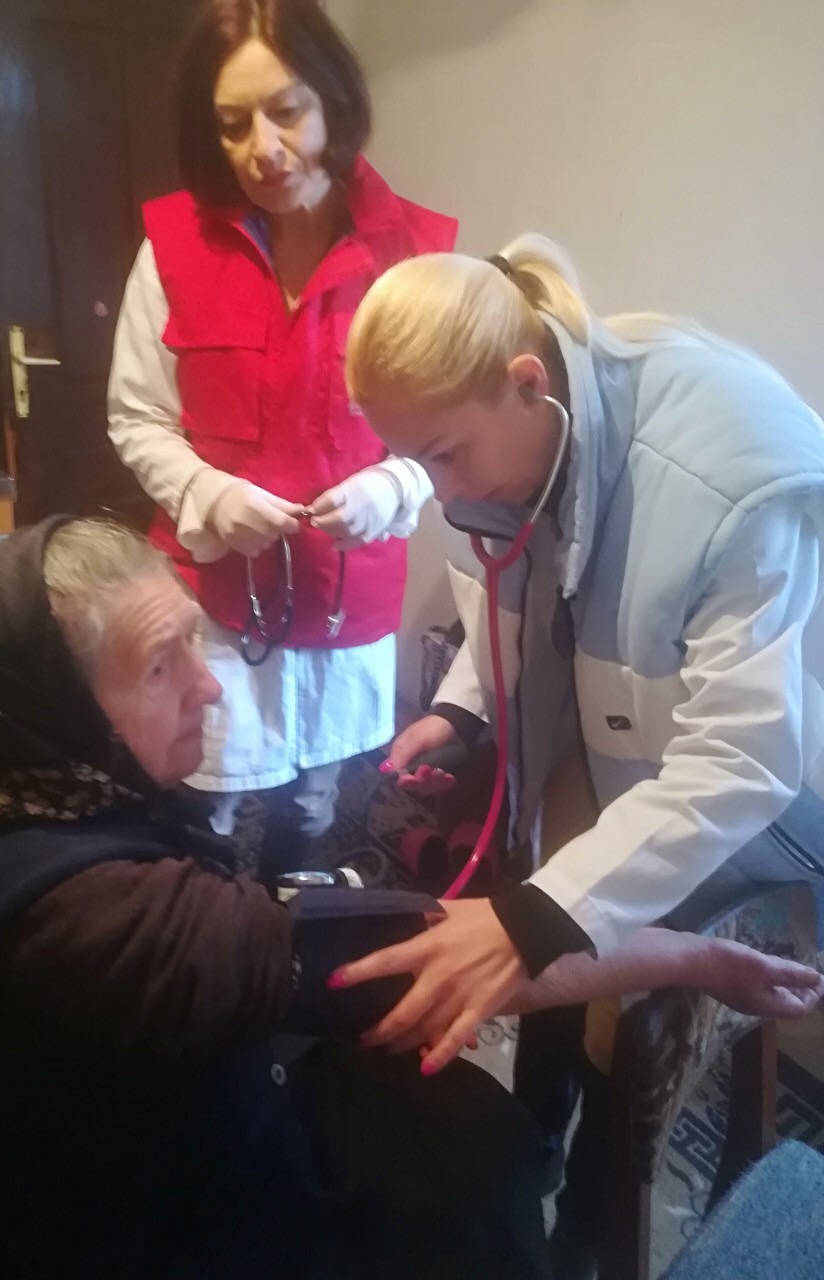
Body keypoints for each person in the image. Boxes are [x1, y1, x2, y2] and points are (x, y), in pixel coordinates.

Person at [0, 517, 817, 1280]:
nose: (208, 689)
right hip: (138, 1234)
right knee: (468, 1170)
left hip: (49, 1179)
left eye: (195, 641)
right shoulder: (98, 926)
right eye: (159, 666)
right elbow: (462, 951)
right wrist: (698, 957)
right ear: (53, 708)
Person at [333, 236, 824, 1273]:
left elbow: (741, 758)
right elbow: (511, 594)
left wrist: (542, 917)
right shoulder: (520, 432)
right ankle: (535, 1145)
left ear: (527, 384)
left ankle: (597, 1221)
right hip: (614, 751)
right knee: (537, 913)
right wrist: (466, 710)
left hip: (755, 800)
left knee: (589, 977)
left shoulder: (728, 474)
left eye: (442, 455)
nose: (437, 490)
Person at [108, 0, 457, 884]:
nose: (262, 148)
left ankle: (291, 932)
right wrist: (207, 493)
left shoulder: (415, 254)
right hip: (216, 597)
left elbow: (451, 426)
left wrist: (395, 486)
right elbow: (137, 416)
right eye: (233, 124)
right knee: (208, 797)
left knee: (316, 802)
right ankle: (208, 938)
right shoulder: (173, 249)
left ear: (333, 99)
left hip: (347, 595)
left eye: (286, 111)